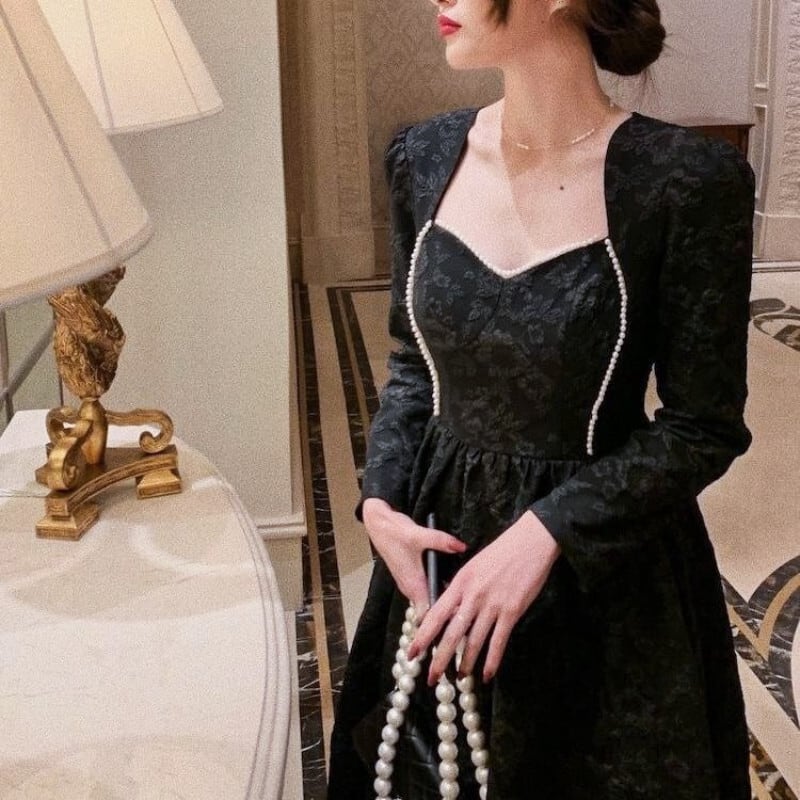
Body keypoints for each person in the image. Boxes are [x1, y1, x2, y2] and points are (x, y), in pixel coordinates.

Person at [328, 0, 755, 797]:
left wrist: (547, 532)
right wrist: (380, 503)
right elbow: (414, 366)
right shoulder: (422, 157)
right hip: (443, 552)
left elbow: (702, 426)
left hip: (605, 578)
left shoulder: (687, 182)